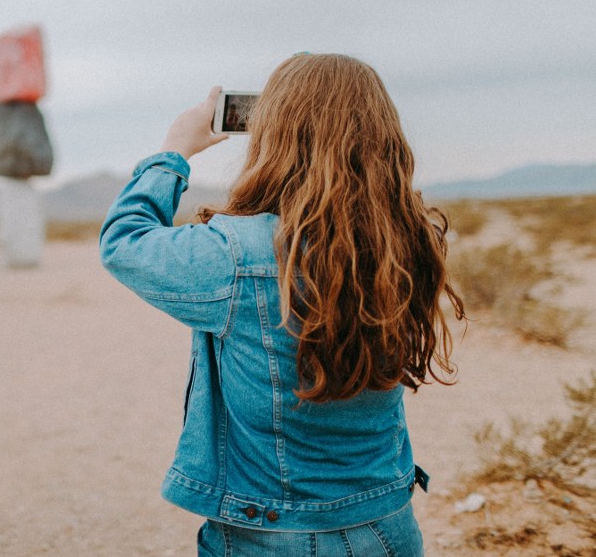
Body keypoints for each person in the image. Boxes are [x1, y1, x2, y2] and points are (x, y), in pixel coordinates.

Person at [99, 53, 465, 556]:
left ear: (274, 135)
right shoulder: (407, 241)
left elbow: (124, 241)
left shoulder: (233, 254)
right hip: (387, 526)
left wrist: (175, 150)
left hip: (272, 536)